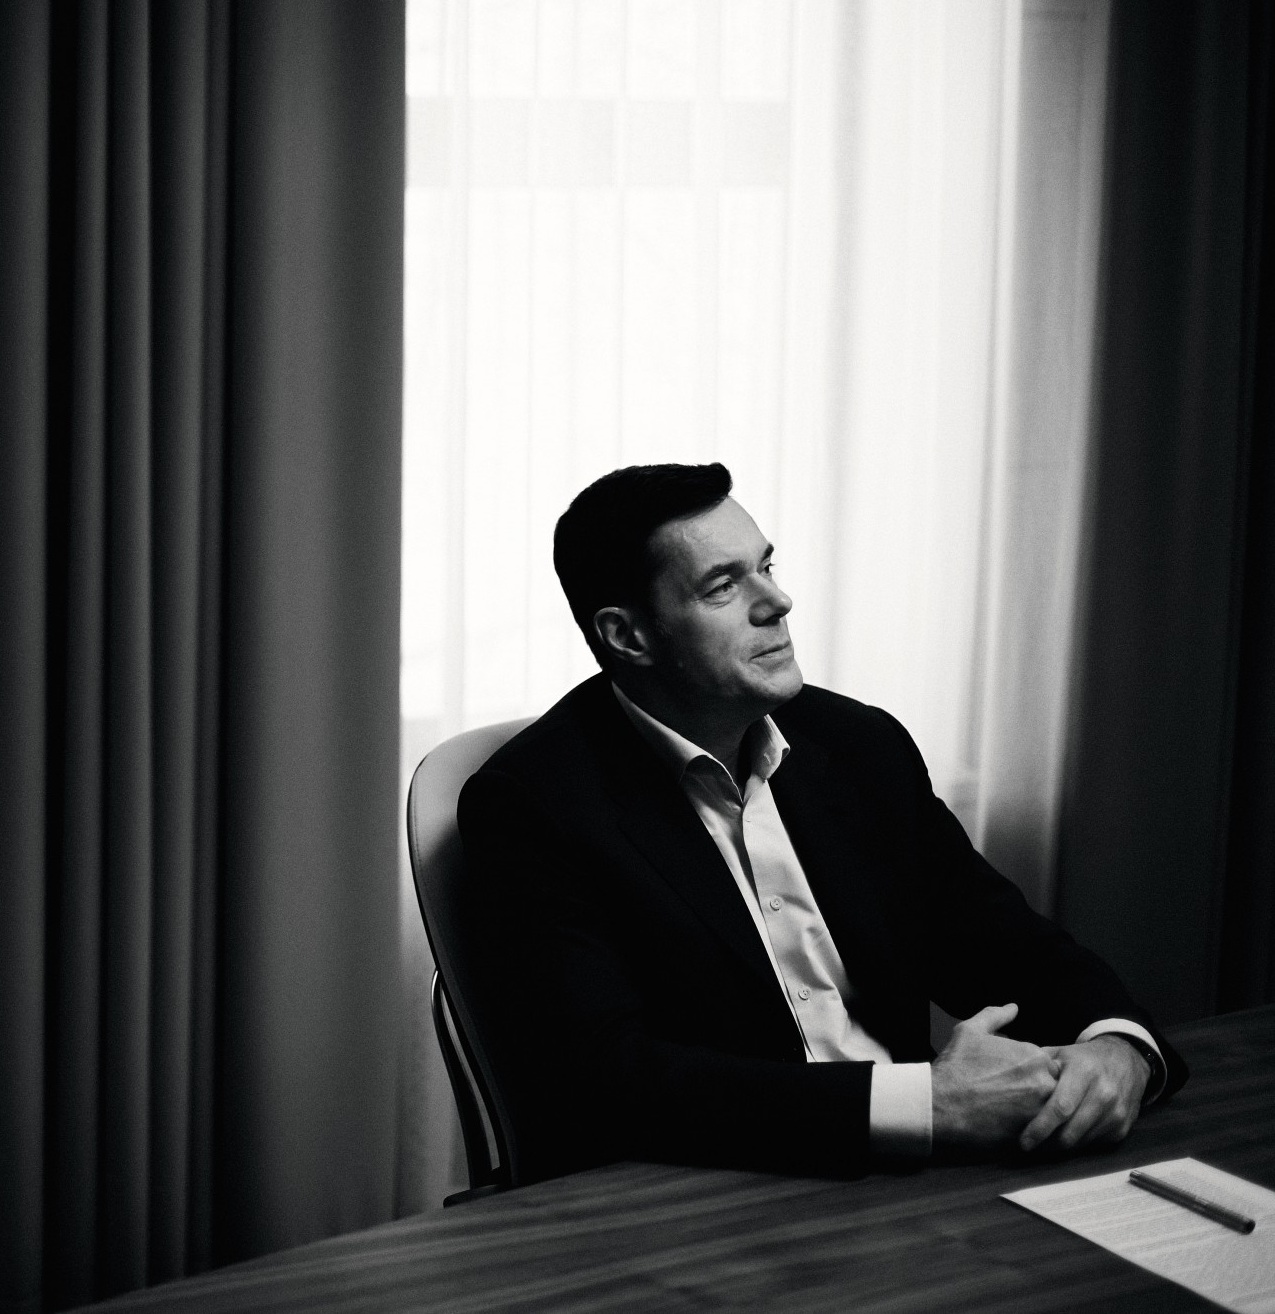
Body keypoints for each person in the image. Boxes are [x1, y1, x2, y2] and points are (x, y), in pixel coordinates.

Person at [456, 462, 1184, 1181]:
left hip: (924, 1177)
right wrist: (922, 1103)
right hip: (712, 1195)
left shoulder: (859, 746)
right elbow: (610, 1078)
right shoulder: (531, 804)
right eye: (723, 586)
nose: (778, 601)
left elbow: (1002, 940)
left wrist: (1116, 1044)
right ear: (628, 636)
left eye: (766, 567)